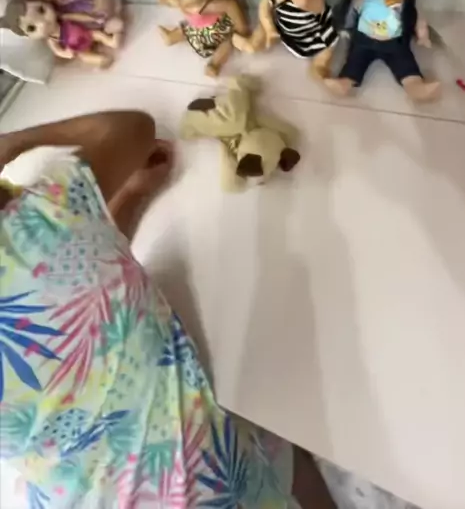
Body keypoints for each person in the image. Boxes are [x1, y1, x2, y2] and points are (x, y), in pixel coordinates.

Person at [0, 110, 336, 508]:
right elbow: (132, 129)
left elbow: (80, 302)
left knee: (279, 447)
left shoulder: (47, 227)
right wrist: (17, 141)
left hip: (73, 494)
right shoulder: (44, 215)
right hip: (209, 483)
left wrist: (128, 198)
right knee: (282, 446)